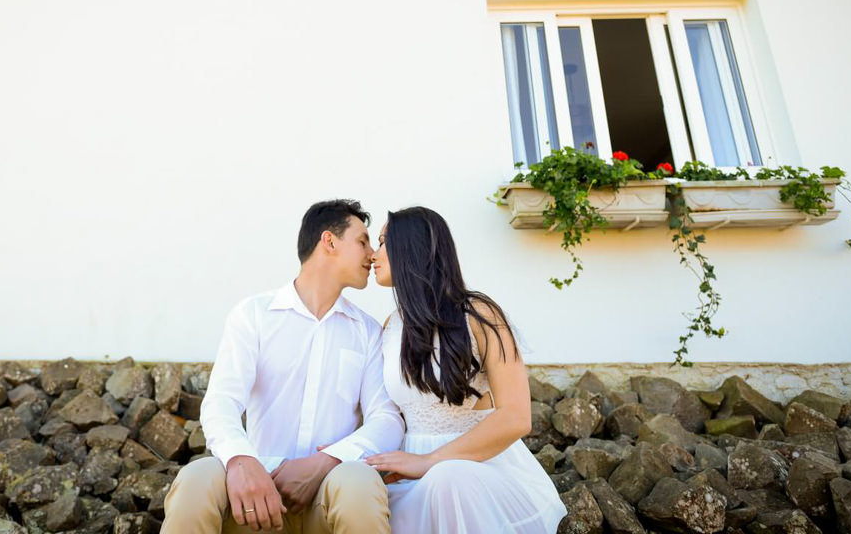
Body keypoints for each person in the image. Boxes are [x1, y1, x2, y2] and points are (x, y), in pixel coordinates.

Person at [161, 199, 405, 533]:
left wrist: (325, 462)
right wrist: (241, 460)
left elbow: (387, 419)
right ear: (329, 241)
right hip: (256, 495)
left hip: (327, 492)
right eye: (362, 241)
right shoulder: (253, 315)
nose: (372, 254)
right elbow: (221, 401)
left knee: (358, 481)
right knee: (196, 478)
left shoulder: (368, 331)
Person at [364, 206, 566, 534]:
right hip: (409, 467)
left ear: (412, 247)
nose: (374, 254)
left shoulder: (480, 316)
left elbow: (516, 416)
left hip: (477, 468)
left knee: (448, 479)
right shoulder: (390, 327)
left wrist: (430, 462)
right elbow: (385, 413)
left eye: (384, 242)